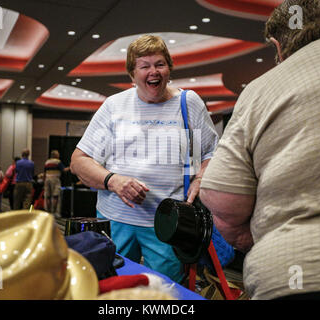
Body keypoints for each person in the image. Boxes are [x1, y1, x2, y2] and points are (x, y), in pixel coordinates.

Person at [199, 0, 320, 300]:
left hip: (299, 274)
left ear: (278, 46)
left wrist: (255, 238)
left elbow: (221, 198)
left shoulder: (261, 90)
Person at [70, 35, 219, 283]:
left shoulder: (188, 103)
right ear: (132, 74)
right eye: (145, 66)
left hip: (169, 224)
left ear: (169, 69)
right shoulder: (114, 106)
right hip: (116, 220)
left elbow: (209, 153)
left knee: (165, 292)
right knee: (113, 288)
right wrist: (114, 181)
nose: (154, 72)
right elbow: (79, 160)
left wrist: (200, 178)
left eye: (160, 64)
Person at [44, 150, 69, 216]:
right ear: (55, 155)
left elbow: (44, 173)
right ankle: (54, 212)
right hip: (55, 179)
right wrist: (70, 167)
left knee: (48, 196)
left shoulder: (47, 162)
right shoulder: (58, 162)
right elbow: (64, 170)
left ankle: (48, 212)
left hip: (47, 179)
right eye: (58, 154)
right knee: (55, 196)